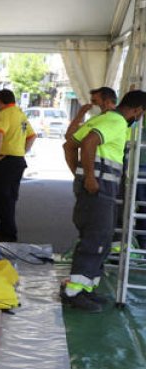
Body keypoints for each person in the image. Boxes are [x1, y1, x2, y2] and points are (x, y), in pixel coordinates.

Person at [61, 90, 146, 312]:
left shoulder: (102, 119)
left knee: (101, 239)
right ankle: (74, 292)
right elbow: (89, 142)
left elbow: (69, 144)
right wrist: (88, 177)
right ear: (137, 110)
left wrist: (79, 173)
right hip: (99, 189)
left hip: (97, 188)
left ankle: (86, 288)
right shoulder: (116, 122)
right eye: (142, 114)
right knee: (96, 239)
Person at [0, 89, 36, 242]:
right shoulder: (20, 114)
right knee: (9, 198)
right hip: (17, 161)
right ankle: (4, 231)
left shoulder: (5, 115)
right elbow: (32, 136)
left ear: (0, 101)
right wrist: (22, 151)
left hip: (5, 162)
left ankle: (8, 233)